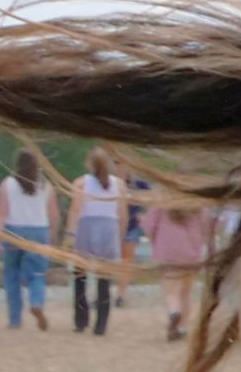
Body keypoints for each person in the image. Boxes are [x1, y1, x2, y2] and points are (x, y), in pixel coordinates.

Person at [141, 188, 216, 344]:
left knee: (171, 292)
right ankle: (182, 327)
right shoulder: (199, 206)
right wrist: (209, 250)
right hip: (191, 254)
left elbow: (148, 226)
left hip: (167, 251)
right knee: (186, 292)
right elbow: (208, 230)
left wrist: (155, 241)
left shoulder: (162, 203)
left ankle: (174, 312)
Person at [0, 148, 58, 332]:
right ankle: (36, 302)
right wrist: (52, 235)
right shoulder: (46, 186)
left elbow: (1, 213)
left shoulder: (8, 184)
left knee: (11, 275)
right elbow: (53, 215)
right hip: (39, 231)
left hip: (13, 231)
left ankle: (15, 319)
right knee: (37, 274)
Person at [68, 147, 126, 338]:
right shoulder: (119, 185)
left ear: (89, 164)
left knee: (80, 276)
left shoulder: (81, 183)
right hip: (109, 228)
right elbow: (122, 214)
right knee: (104, 281)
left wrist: (70, 233)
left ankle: (81, 320)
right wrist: (120, 236)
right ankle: (101, 325)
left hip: (87, 226)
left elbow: (76, 210)